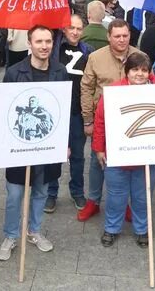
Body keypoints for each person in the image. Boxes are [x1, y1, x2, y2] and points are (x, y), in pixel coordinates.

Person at [0, 25, 67, 262]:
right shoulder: (14, 73)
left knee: (41, 190)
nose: (44, 46)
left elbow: (63, 111)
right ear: (29, 44)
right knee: (15, 194)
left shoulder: (60, 71)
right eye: (39, 42)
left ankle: (34, 231)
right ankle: (11, 235)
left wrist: (64, 143)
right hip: (19, 145)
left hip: (47, 145)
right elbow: (5, 112)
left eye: (48, 41)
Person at [78, 19, 142, 221]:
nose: (122, 40)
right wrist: (88, 119)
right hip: (103, 121)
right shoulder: (96, 58)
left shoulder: (140, 57)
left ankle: (124, 205)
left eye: (125, 35)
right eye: (117, 36)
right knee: (98, 162)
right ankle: (93, 201)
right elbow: (87, 88)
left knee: (129, 165)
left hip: (131, 123)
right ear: (109, 37)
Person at [93, 51, 155, 247]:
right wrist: (99, 149)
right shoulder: (113, 91)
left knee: (142, 195)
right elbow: (100, 121)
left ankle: (141, 229)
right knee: (116, 195)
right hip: (117, 154)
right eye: (135, 69)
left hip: (146, 155)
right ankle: (112, 228)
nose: (139, 74)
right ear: (127, 71)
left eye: (144, 70)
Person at [45, 15, 93, 212]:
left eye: (79, 28)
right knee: (53, 153)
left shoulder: (88, 51)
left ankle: (77, 191)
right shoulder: (54, 46)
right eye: (71, 28)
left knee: (78, 155)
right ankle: (51, 193)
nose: (75, 32)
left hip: (77, 111)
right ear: (63, 29)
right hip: (55, 110)